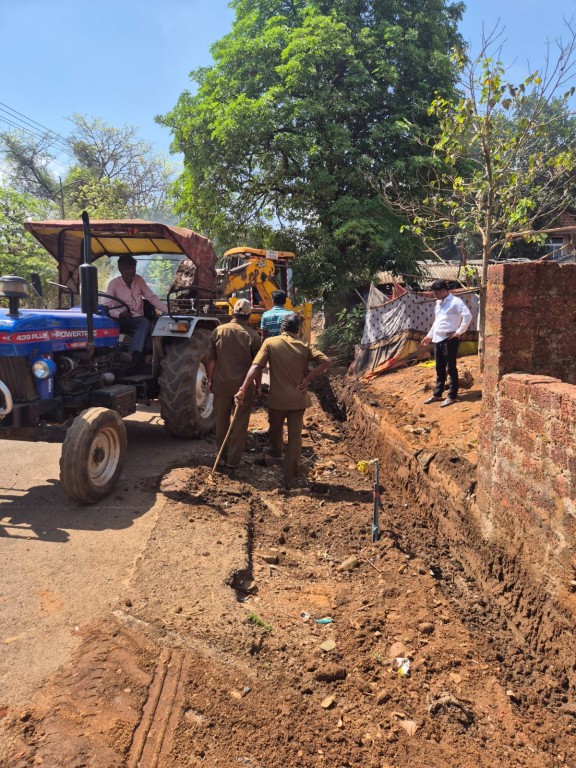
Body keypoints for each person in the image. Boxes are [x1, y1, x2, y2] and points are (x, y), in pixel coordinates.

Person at [235, 313, 331, 487]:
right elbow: (325, 361)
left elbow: (256, 367)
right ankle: (290, 476)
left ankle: (276, 451)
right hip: (298, 399)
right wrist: (307, 378)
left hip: (278, 399)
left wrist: (243, 388)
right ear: (298, 329)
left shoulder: (270, 343)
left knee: (275, 428)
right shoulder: (304, 345)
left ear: (281, 328)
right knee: (295, 437)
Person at [206, 299, 262, 469]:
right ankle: (233, 460)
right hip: (244, 388)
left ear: (232, 313)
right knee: (240, 423)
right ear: (249, 315)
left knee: (221, 421)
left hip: (221, 385)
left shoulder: (218, 331)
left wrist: (210, 380)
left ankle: (221, 457)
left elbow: (212, 360)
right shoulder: (253, 336)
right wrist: (258, 386)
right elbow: (257, 366)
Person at [103, 254, 168, 366]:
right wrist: (119, 314)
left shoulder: (139, 280)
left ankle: (131, 354)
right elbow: (107, 306)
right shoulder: (113, 284)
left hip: (136, 318)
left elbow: (151, 298)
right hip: (119, 319)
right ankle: (105, 355)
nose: (131, 271)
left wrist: (168, 310)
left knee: (144, 322)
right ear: (120, 269)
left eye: (133, 267)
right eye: (127, 268)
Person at [421, 280, 473, 407]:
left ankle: (452, 396)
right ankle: (437, 394)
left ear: (444, 290)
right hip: (438, 339)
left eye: (436, 293)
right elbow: (437, 322)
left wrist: (458, 332)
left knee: (451, 368)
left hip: (450, 340)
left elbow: (467, 316)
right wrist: (429, 336)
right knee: (439, 368)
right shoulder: (438, 304)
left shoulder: (455, 302)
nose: (435, 295)